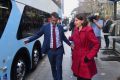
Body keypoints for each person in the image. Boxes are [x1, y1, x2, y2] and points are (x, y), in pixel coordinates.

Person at [24, 12, 73, 80]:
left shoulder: (60, 27)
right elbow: (38, 34)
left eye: (56, 21)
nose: (54, 22)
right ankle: (55, 78)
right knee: (53, 66)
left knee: (59, 66)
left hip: (59, 50)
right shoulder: (45, 27)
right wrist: (29, 40)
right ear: (50, 19)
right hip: (50, 51)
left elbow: (63, 37)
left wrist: (70, 44)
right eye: (53, 20)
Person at [69, 13, 100, 80]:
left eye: (76, 20)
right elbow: (74, 37)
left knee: (85, 77)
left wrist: (89, 56)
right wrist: (69, 38)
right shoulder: (76, 29)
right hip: (77, 58)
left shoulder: (88, 30)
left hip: (85, 59)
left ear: (82, 21)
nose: (75, 22)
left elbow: (97, 44)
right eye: (75, 20)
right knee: (78, 77)